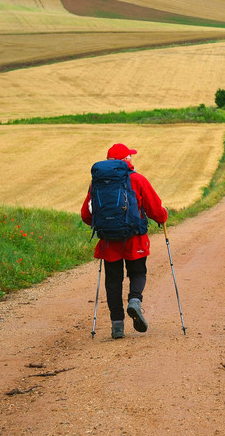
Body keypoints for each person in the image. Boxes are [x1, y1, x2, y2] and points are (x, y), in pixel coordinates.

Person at [81, 143, 168, 339]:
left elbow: (86, 215)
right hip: (134, 238)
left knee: (113, 281)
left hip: (108, 240)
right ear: (126, 160)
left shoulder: (97, 183)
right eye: (130, 156)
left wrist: (105, 224)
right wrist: (163, 216)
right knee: (138, 272)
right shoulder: (137, 179)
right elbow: (155, 209)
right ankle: (135, 301)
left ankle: (117, 325)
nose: (131, 158)